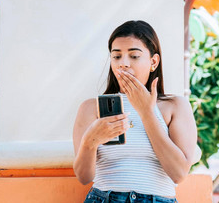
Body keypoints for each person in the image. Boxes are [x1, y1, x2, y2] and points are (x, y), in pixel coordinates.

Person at [73, 20, 198, 203]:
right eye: (116, 56)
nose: (123, 63)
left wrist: (147, 112)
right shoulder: (91, 108)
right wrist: (89, 142)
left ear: (153, 62)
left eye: (134, 56)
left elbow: (178, 173)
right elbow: (84, 177)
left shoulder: (175, 106)